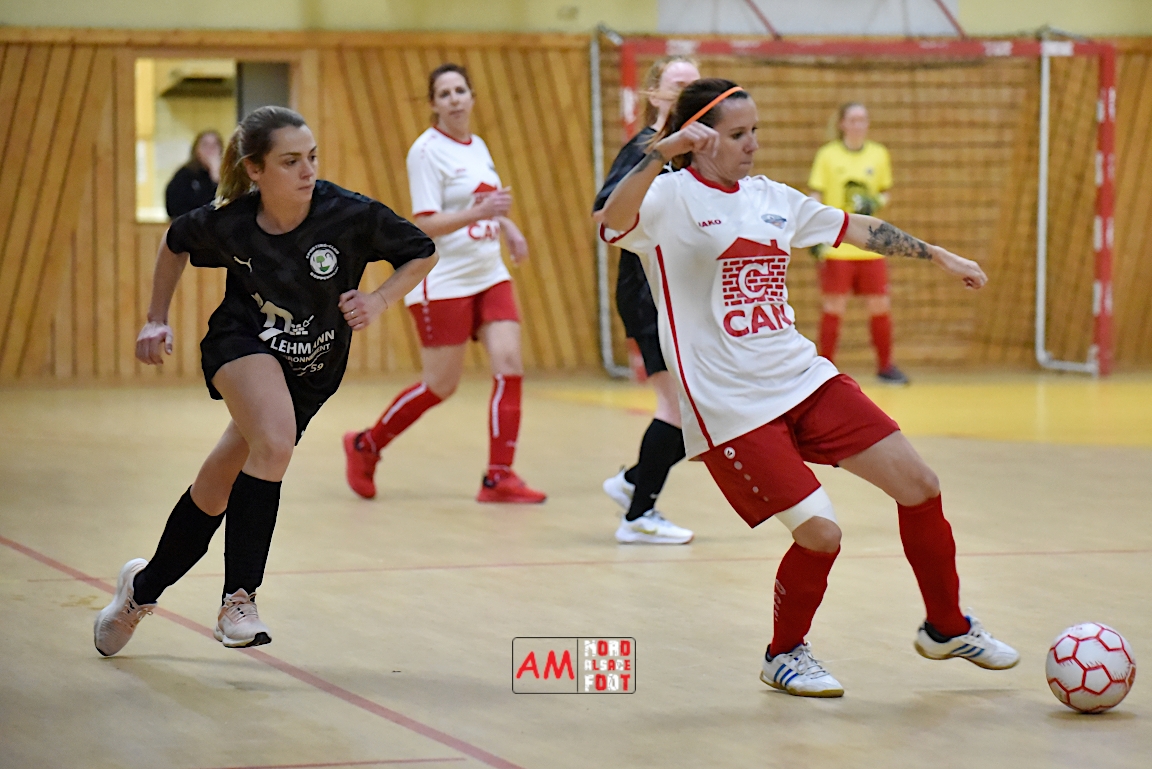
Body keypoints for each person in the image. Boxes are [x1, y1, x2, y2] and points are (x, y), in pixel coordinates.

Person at [599, 79, 1018, 697]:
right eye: (738, 134)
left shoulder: (771, 197)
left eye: (755, 131)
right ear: (700, 137)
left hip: (801, 377)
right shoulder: (667, 197)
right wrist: (662, 151)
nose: (752, 145)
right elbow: (609, 221)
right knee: (822, 533)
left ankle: (947, 627)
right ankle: (784, 654)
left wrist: (937, 254)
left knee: (920, 485)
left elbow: (856, 228)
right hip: (730, 404)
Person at [93, 107, 437, 657]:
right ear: (255, 169)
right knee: (275, 444)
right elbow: (175, 241)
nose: (308, 171)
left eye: (312, 158)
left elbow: (421, 251)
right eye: (290, 161)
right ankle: (238, 599)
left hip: (312, 370)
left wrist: (378, 299)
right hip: (241, 343)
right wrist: (156, 317)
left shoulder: (348, 214)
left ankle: (142, 589)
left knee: (219, 485)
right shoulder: (232, 220)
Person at [343, 63, 545, 504]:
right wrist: (482, 213)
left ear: (472, 97)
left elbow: (485, 205)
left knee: (509, 363)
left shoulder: (479, 146)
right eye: (445, 93)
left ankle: (499, 477)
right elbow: (425, 223)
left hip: (489, 272)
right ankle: (366, 444)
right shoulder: (426, 151)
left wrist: (508, 227)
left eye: (460, 91)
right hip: (443, 278)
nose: (454, 99)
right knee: (440, 384)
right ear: (433, 104)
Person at [592, 56, 699, 545]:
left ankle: (634, 482)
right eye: (678, 85)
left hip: (682, 297)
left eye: (696, 85)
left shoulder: (696, 156)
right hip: (646, 294)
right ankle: (638, 515)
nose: (688, 93)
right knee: (677, 406)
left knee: (700, 410)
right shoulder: (645, 149)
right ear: (655, 95)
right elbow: (604, 214)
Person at [808, 103, 907, 385]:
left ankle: (885, 366)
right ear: (842, 123)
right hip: (838, 245)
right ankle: (826, 369)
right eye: (852, 119)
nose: (858, 124)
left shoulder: (878, 154)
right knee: (833, 306)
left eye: (862, 119)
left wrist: (874, 201)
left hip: (870, 245)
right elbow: (816, 194)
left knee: (880, 304)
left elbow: (885, 191)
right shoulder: (828, 155)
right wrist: (817, 230)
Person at [166, 129, 224, 218]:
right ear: (196, 149)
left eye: (214, 145)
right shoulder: (185, 174)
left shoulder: (229, 175)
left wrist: (217, 180)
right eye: (205, 145)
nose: (210, 150)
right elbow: (174, 207)